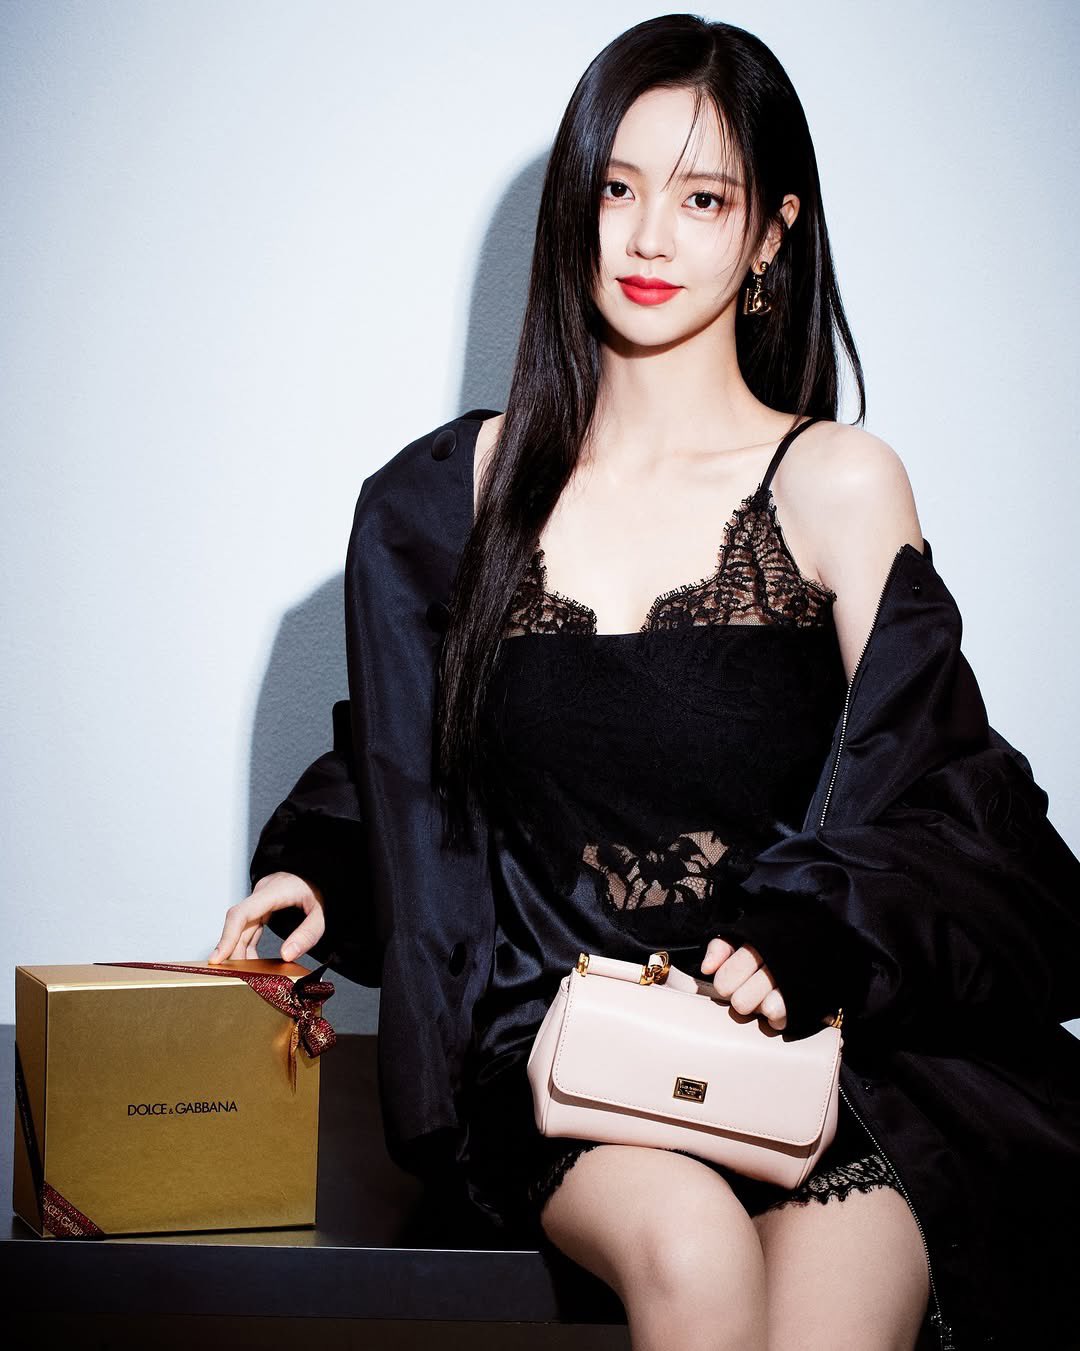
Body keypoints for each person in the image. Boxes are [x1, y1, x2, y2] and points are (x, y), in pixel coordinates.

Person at [210, 15, 1080, 1351]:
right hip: (555, 1047)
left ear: (773, 233)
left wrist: (818, 935)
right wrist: (325, 867)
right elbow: (414, 761)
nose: (650, 238)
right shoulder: (447, 500)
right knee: (692, 1245)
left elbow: (953, 805)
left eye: (704, 199)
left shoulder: (839, 485)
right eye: (616, 189)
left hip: (811, 1054)